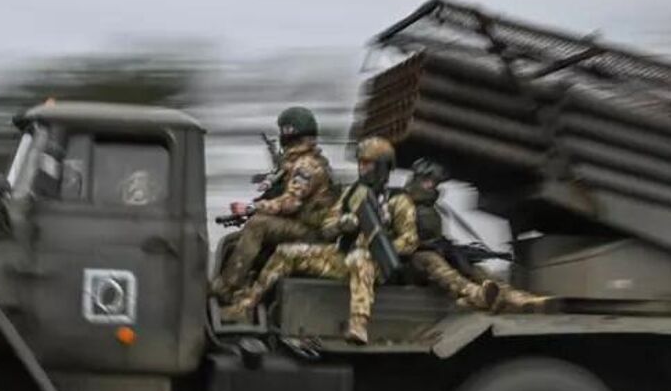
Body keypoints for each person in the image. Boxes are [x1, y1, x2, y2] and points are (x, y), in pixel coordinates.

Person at [223, 137, 414, 344]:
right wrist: (341, 225)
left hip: (378, 266)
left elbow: (410, 240)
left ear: (382, 167)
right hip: (344, 257)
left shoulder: (398, 200)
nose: (362, 168)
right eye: (361, 162)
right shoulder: (352, 194)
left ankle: (358, 324)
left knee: (360, 258)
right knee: (287, 252)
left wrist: (379, 247)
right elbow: (326, 227)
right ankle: (245, 305)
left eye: (368, 164)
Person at [211, 106, 336, 302]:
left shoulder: (307, 165)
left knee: (257, 225)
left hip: (312, 231)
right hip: (305, 225)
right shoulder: (301, 161)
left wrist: (252, 208)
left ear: (288, 132)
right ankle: (242, 283)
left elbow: (291, 202)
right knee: (234, 240)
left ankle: (227, 288)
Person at [402, 159, 549, 312]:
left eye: (434, 182)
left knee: (472, 267)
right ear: (417, 179)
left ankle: (513, 297)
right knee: (431, 259)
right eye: (427, 181)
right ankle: (474, 293)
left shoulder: (429, 208)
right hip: (409, 262)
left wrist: (452, 250)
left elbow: (435, 237)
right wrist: (424, 246)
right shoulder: (400, 202)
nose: (431, 186)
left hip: (429, 258)